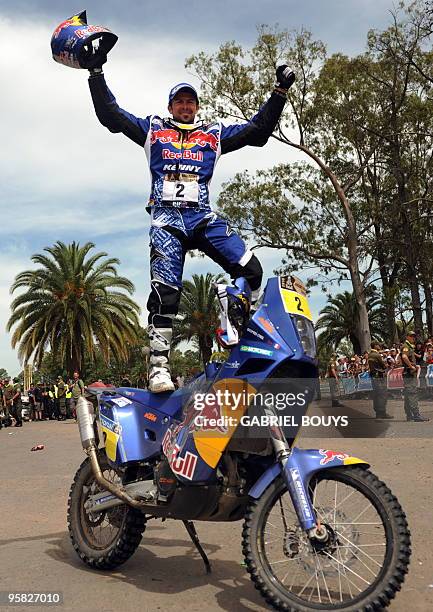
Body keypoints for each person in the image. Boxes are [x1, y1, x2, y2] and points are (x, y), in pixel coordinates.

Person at [86, 54, 294, 392]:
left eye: (190, 102)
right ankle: (158, 368)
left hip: (201, 218)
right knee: (166, 295)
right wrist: (96, 72)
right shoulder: (153, 130)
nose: (185, 106)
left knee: (251, 270)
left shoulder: (213, 135)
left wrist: (280, 91)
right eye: (179, 101)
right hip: (167, 222)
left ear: (197, 107)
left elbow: (257, 131)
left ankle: (235, 325)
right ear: (171, 106)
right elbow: (112, 115)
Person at [401, 331, 429, 422]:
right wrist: (411, 366)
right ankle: (416, 415)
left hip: (408, 373)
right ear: (407, 337)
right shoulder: (406, 346)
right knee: (412, 393)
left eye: (414, 336)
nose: (413, 338)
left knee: (408, 394)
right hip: (409, 373)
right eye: (412, 336)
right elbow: (404, 357)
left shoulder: (409, 347)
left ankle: (409, 415)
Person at [368, 342, 393, 419]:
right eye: (378, 345)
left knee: (376, 395)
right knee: (382, 395)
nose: (380, 346)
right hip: (379, 377)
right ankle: (380, 413)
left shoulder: (370, 354)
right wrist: (388, 364)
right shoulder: (377, 355)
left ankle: (379, 413)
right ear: (375, 346)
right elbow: (383, 365)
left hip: (373, 377)